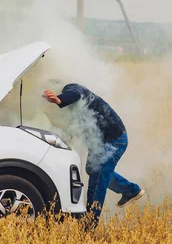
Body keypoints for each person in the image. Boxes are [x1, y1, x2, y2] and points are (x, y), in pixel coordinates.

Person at [43, 83, 144, 229]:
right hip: (101, 144)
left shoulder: (74, 89)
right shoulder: (77, 106)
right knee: (92, 169)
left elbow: (74, 94)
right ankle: (131, 190)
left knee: (98, 182)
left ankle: (89, 224)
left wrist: (59, 99)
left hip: (114, 142)